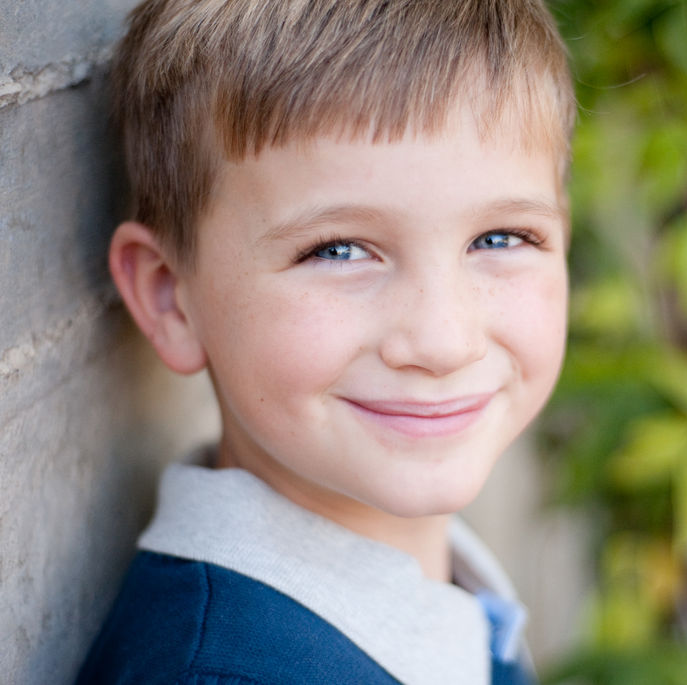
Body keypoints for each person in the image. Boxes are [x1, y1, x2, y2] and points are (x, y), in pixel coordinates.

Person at [75, 0, 575, 683]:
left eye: (501, 238)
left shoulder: (452, 588)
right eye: (339, 250)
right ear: (171, 297)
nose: (443, 340)